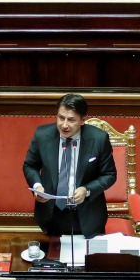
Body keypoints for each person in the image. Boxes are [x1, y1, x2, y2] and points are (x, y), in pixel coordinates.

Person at [22, 93, 116, 238]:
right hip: (51, 213)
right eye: (61, 118)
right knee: (52, 257)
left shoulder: (99, 139)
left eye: (71, 120)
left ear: (83, 120)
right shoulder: (42, 135)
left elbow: (109, 175)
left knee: (88, 259)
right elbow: (30, 165)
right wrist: (37, 186)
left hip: (87, 215)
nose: (64, 125)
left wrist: (87, 190)